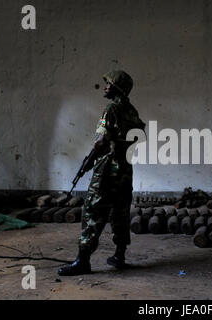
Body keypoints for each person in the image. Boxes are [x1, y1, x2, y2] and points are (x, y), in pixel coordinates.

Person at [58, 70, 146, 276]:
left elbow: (101, 142)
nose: (105, 86)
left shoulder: (111, 109)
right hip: (125, 168)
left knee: (93, 211)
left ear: (117, 87)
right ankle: (119, 255)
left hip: (108, 169)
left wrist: (88, 163)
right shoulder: (132, 111)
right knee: (121, 211)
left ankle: (83, 261)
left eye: (108, 84)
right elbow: (139, 139)